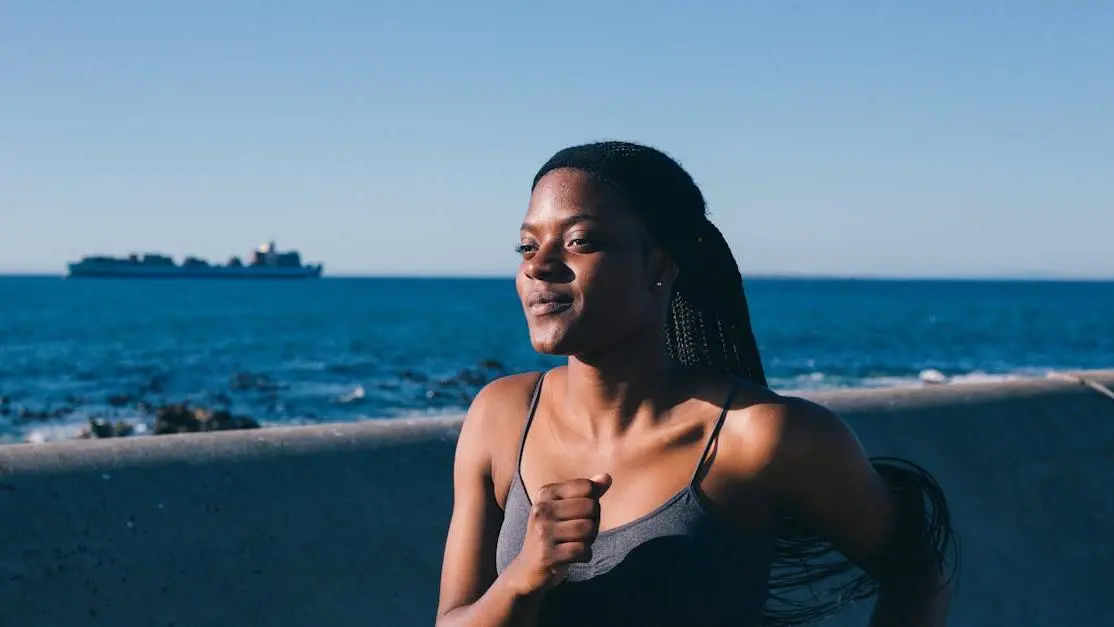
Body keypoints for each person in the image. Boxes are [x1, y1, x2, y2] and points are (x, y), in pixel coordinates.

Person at [436, 141, 959, 626]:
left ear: (660, 265)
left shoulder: (760, 438)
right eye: (527, 247)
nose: (541, 267)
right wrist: (524, 578)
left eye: (580, 242)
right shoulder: (501, 417)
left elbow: (917, 574)